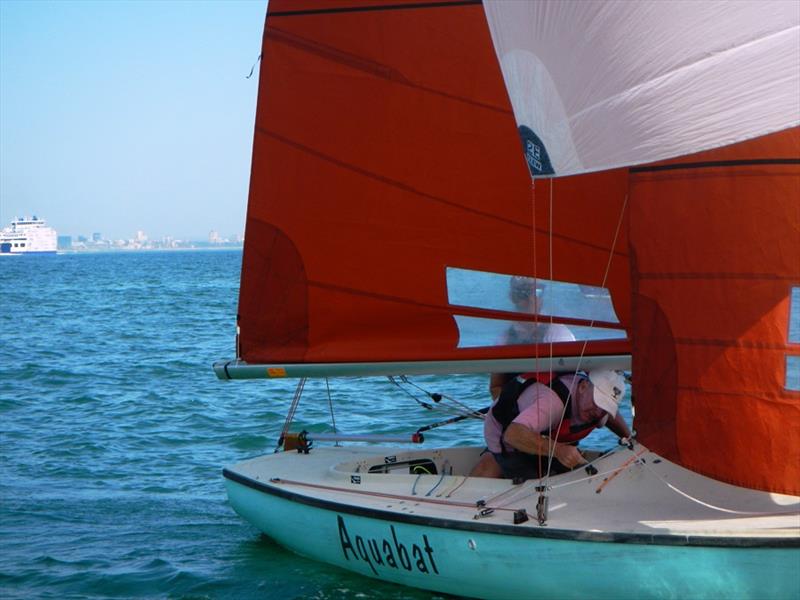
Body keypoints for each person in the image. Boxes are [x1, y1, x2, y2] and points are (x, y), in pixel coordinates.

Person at [470, 276, 576, 477]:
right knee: (487, 466)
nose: (529, 299)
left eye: (535, 292)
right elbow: (495, 387)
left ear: (542, 296)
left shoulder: (558, 333)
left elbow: (575, 386)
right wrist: (521, 411)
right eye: (522, 293)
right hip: (517, 424)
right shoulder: (504, 339)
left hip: (555, 427)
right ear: (512, 297)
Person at [483, 369, 632, 481]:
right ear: (583, 387)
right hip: (506, 435)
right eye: (598, 402)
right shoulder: (552, 404)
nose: (598, 411)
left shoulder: (596, 410)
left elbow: (611, 417)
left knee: (570, 474)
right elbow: (513, 435)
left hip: (547, 432)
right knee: (531, 482)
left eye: (606, 407)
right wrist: (559, 450)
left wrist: (630, 438)